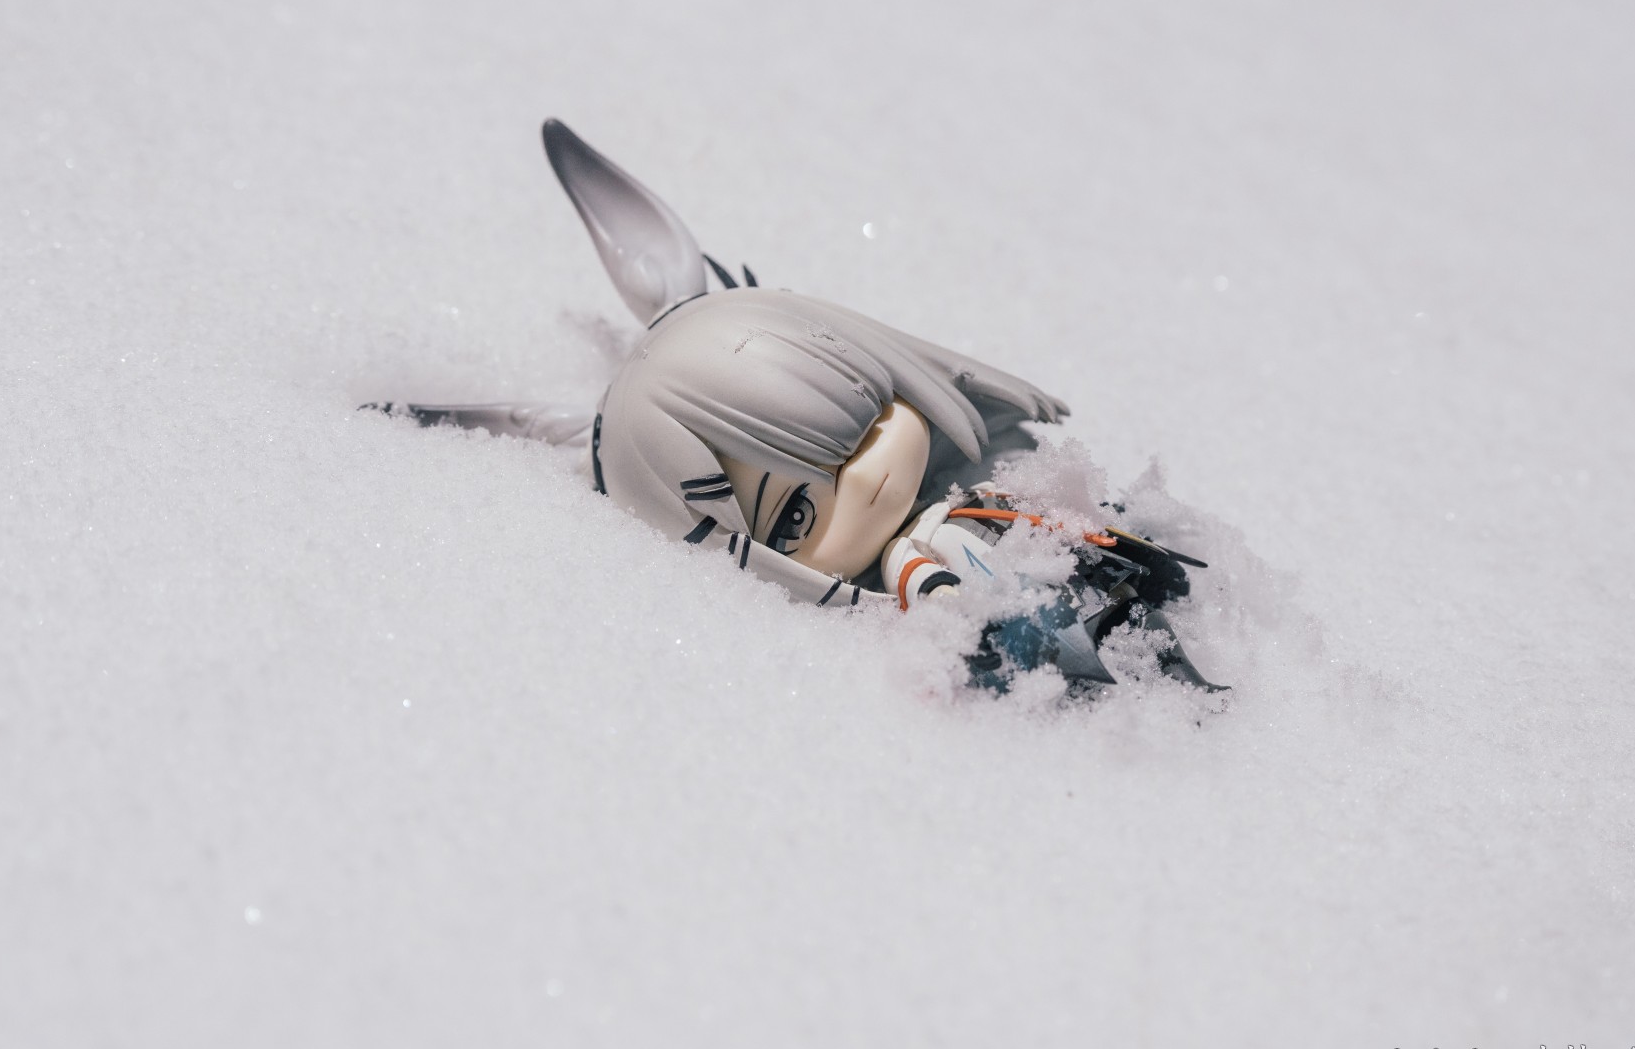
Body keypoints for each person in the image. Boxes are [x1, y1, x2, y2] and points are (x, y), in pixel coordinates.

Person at [374, 119, 1222, 691]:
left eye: (866, 414)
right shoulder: (901, 593)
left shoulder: (999, 485)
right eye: (793, 517)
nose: (865, 480)